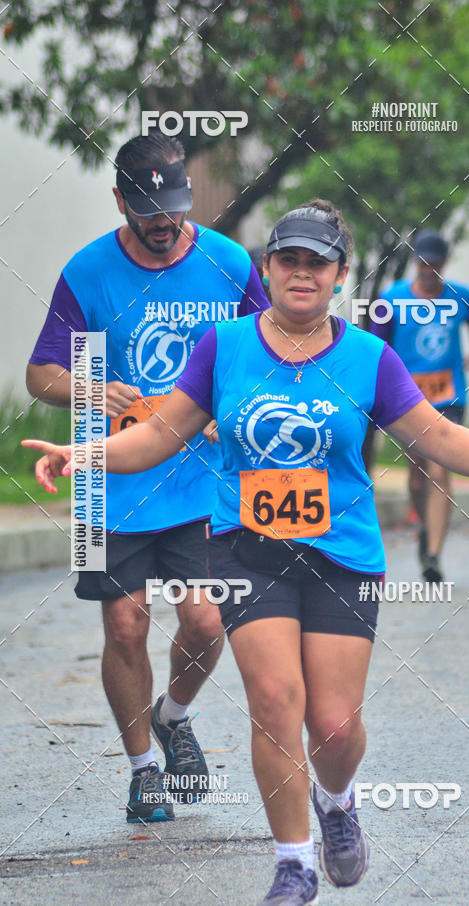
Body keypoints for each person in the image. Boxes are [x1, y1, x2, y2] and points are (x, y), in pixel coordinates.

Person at [24, 200, 469, 904]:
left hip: (341, 553)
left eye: (316, 263)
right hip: (245, 550)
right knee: (274, 700)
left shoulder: (369, 358)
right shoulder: (223, 348)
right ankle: (293, 864)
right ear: (267, 268)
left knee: (335, 726)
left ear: (339, 275)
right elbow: (160, 434)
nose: (301, 273)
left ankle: (336, 800)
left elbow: (437, 437)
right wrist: (84, 454)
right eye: (287, 259)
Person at [25, 132, 269, 822]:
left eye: (174, 207)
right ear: (119, 200)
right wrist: (89, 389)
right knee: (126, 626)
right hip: (108, 485)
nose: (164, 222)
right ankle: (142, 773)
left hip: (203, 480)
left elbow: (267, 350)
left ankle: (174, 715)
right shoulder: (87, 272)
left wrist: (234, 408)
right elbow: (39, 374)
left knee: (207, 619)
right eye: (147, 210)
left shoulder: (228, 263)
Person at [372, 230, 469, 583]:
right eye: (422, 263)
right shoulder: (392, 298)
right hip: (407, 399)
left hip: (449, 396)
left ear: (444, 264)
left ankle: (433, 556)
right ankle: (425, 526)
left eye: (434, 264)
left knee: (439, 468)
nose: (428, 270)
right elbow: (376, 346)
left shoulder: (461, 294)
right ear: (415, 263)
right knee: (418, 473)